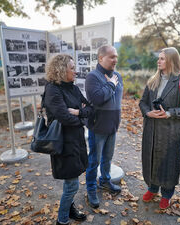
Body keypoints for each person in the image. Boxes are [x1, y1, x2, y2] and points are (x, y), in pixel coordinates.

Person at [139, 47, 180, 209]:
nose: (158, 61)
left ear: (171, 60)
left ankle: (166, 194)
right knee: (151, 158)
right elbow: (142, 102)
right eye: (159, 58)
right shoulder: (153, 80)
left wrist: (170, 113)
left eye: (162, 58)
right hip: (151, 128)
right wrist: (148, 112)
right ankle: (152, 188)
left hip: (170, 130)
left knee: (168, 162)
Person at [43, 54, 93, 225]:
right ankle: (62, 220)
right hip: (63, 144)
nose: (76, 71)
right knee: (72, 185)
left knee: (72, 179)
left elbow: (90, 108)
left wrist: (78, 112)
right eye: (72, 68)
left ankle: (69, 209)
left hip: (76, 141)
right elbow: (64, 117)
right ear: (61, 69)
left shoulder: (73, 88)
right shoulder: (52, 89)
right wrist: (80, 118)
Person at [85, 45, 123, 208]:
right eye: (111, 57)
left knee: (107, 158)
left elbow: (117, 101)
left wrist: (113, 84)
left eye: (116, 56)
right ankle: (91, 189)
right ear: (101, 58)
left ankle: (105, 181)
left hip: (112, 126)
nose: (115, 59)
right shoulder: (92, 77)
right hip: (98, 127)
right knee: (94, 160)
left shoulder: (118, 76)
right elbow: (98, 98)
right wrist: (111, 85)